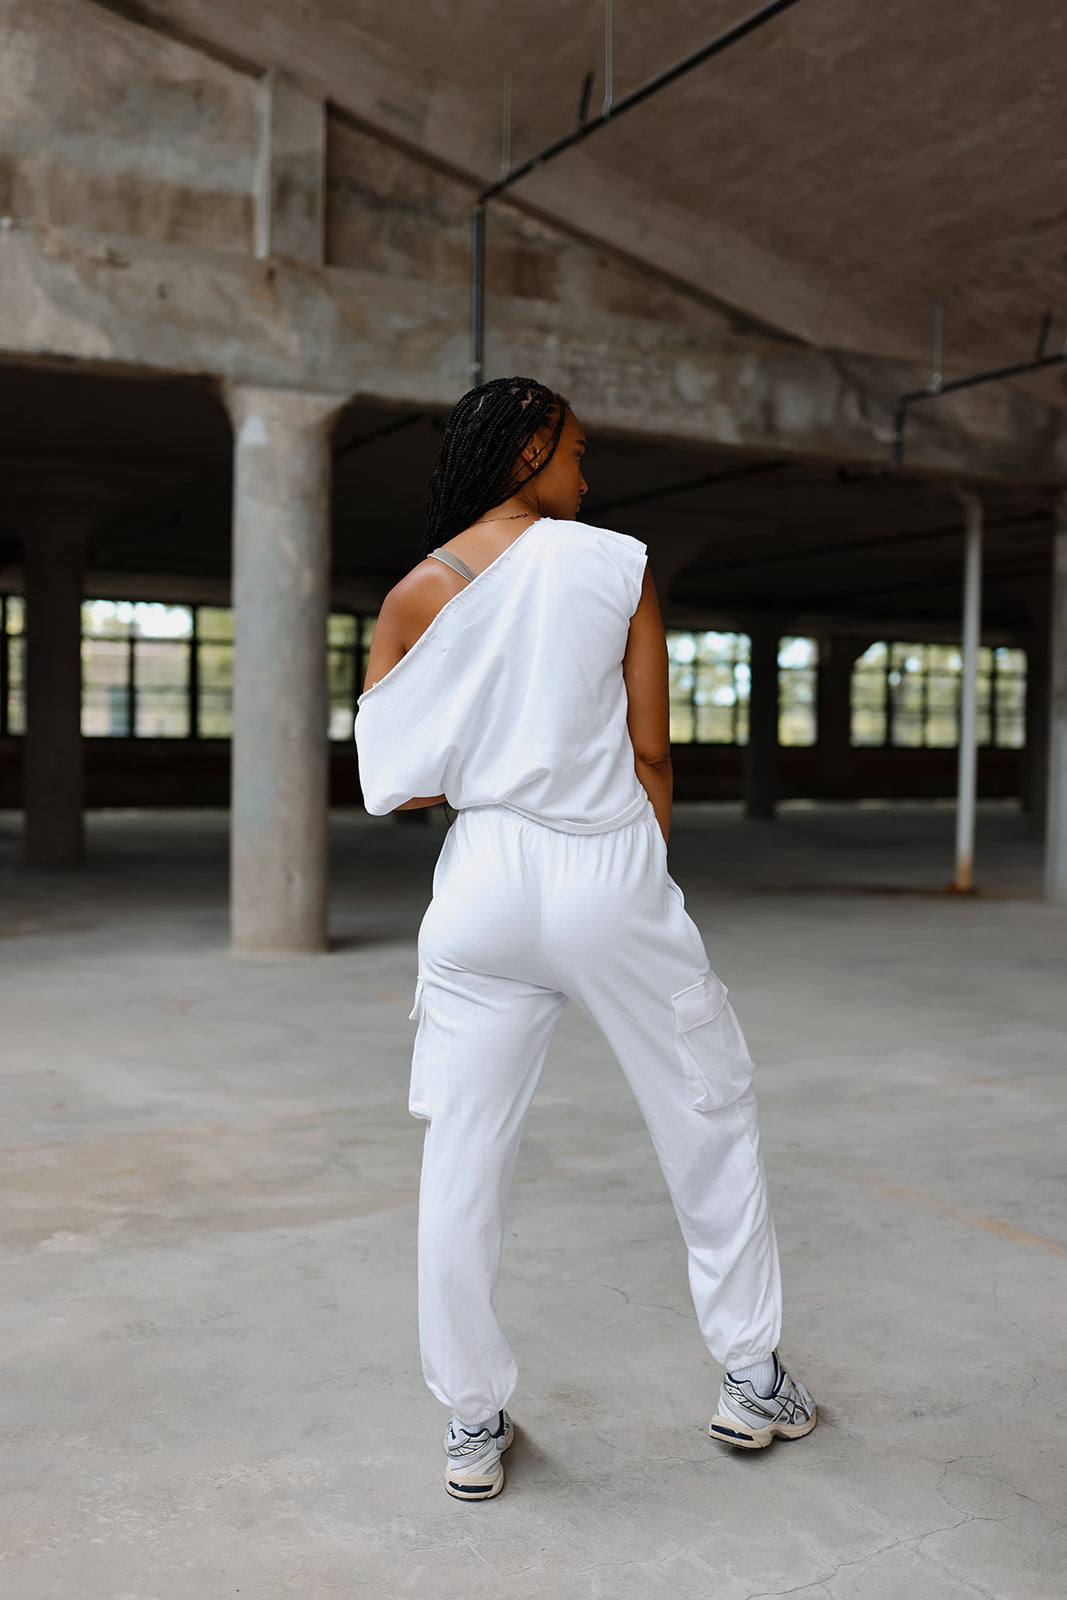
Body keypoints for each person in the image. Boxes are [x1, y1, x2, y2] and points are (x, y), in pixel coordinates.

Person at [354, 376, 816, 1501]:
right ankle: (750, 1376)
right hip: (604, 862)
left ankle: (470, 1422)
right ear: (526, 449)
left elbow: (396, 783)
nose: (586, 475)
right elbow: (652, 753)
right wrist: (633, 877)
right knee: (705, 1104)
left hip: (480, 884)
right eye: (573, 451)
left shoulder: (414, 593)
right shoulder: (615, 564)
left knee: (463, 1156)